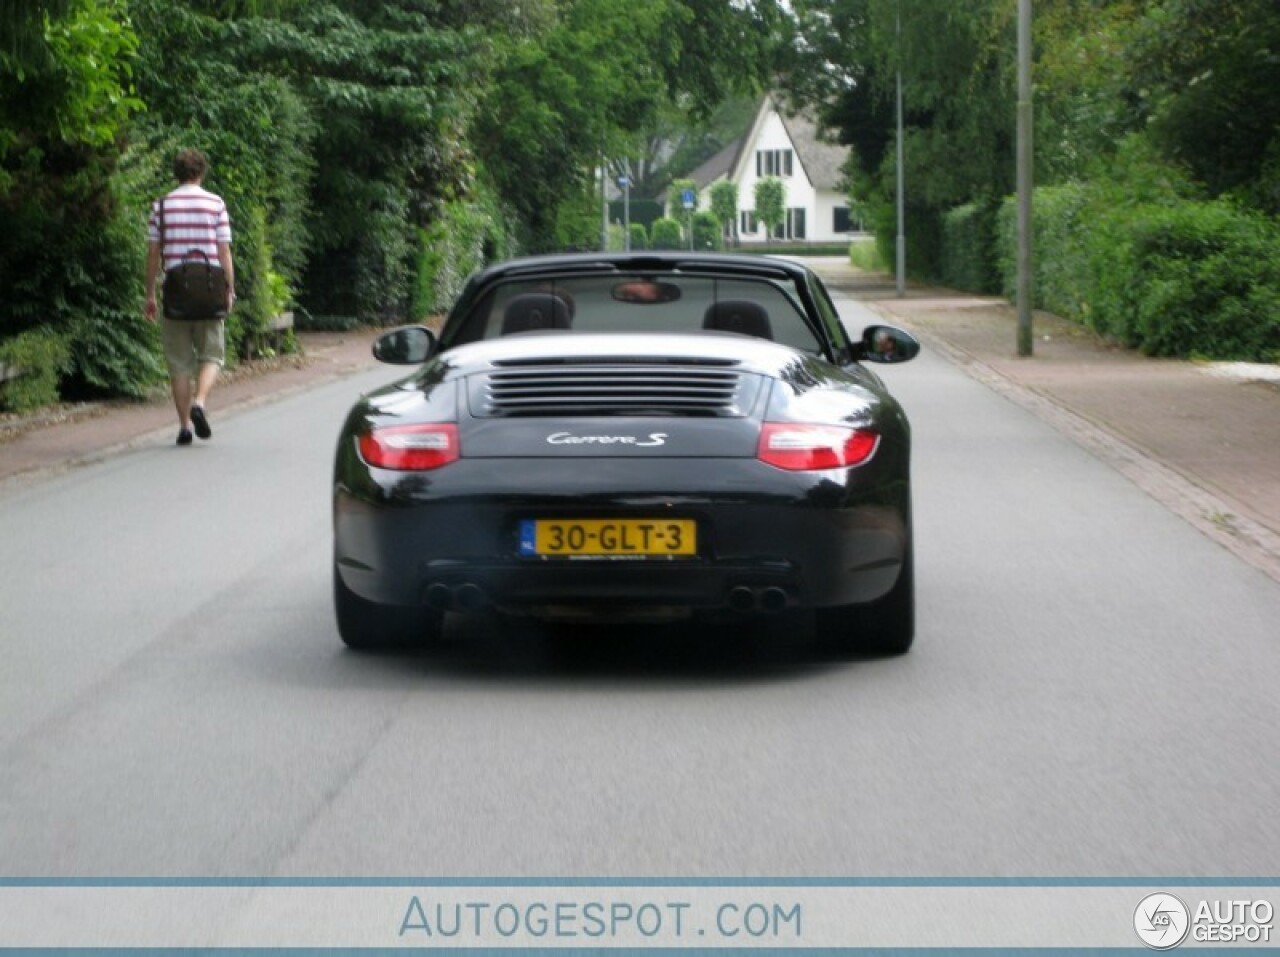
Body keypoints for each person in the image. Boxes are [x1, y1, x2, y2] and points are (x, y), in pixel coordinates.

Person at [144, 149, 235, 445]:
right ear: (201, 172)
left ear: (177, 173)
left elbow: (153, 254)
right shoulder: (215, 204)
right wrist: (229, 288)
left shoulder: (161, 207)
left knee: (179, 363)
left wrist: (150, 294)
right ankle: (200, 403)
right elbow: (224, 251)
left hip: (176, 291)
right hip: (209, 290)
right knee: (212, 355)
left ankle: (184, 427)